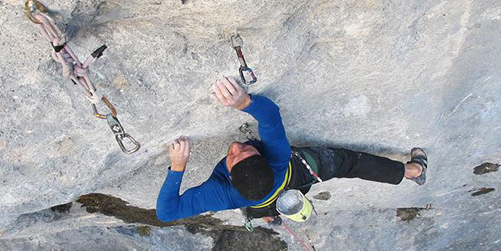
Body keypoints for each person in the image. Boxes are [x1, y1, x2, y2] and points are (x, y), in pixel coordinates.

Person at [155, 76, 427, 222]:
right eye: (241, 152)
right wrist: (243, 102)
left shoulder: (222, 193)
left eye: (237, 155)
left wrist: (177, 167)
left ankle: (268, 216)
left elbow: (167, 213)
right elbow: (270, 116)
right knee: (346, 162)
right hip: (293, 173)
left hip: (264, 195)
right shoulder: (277, 158)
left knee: (259, 207)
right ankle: (412, 171)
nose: (236, 146)